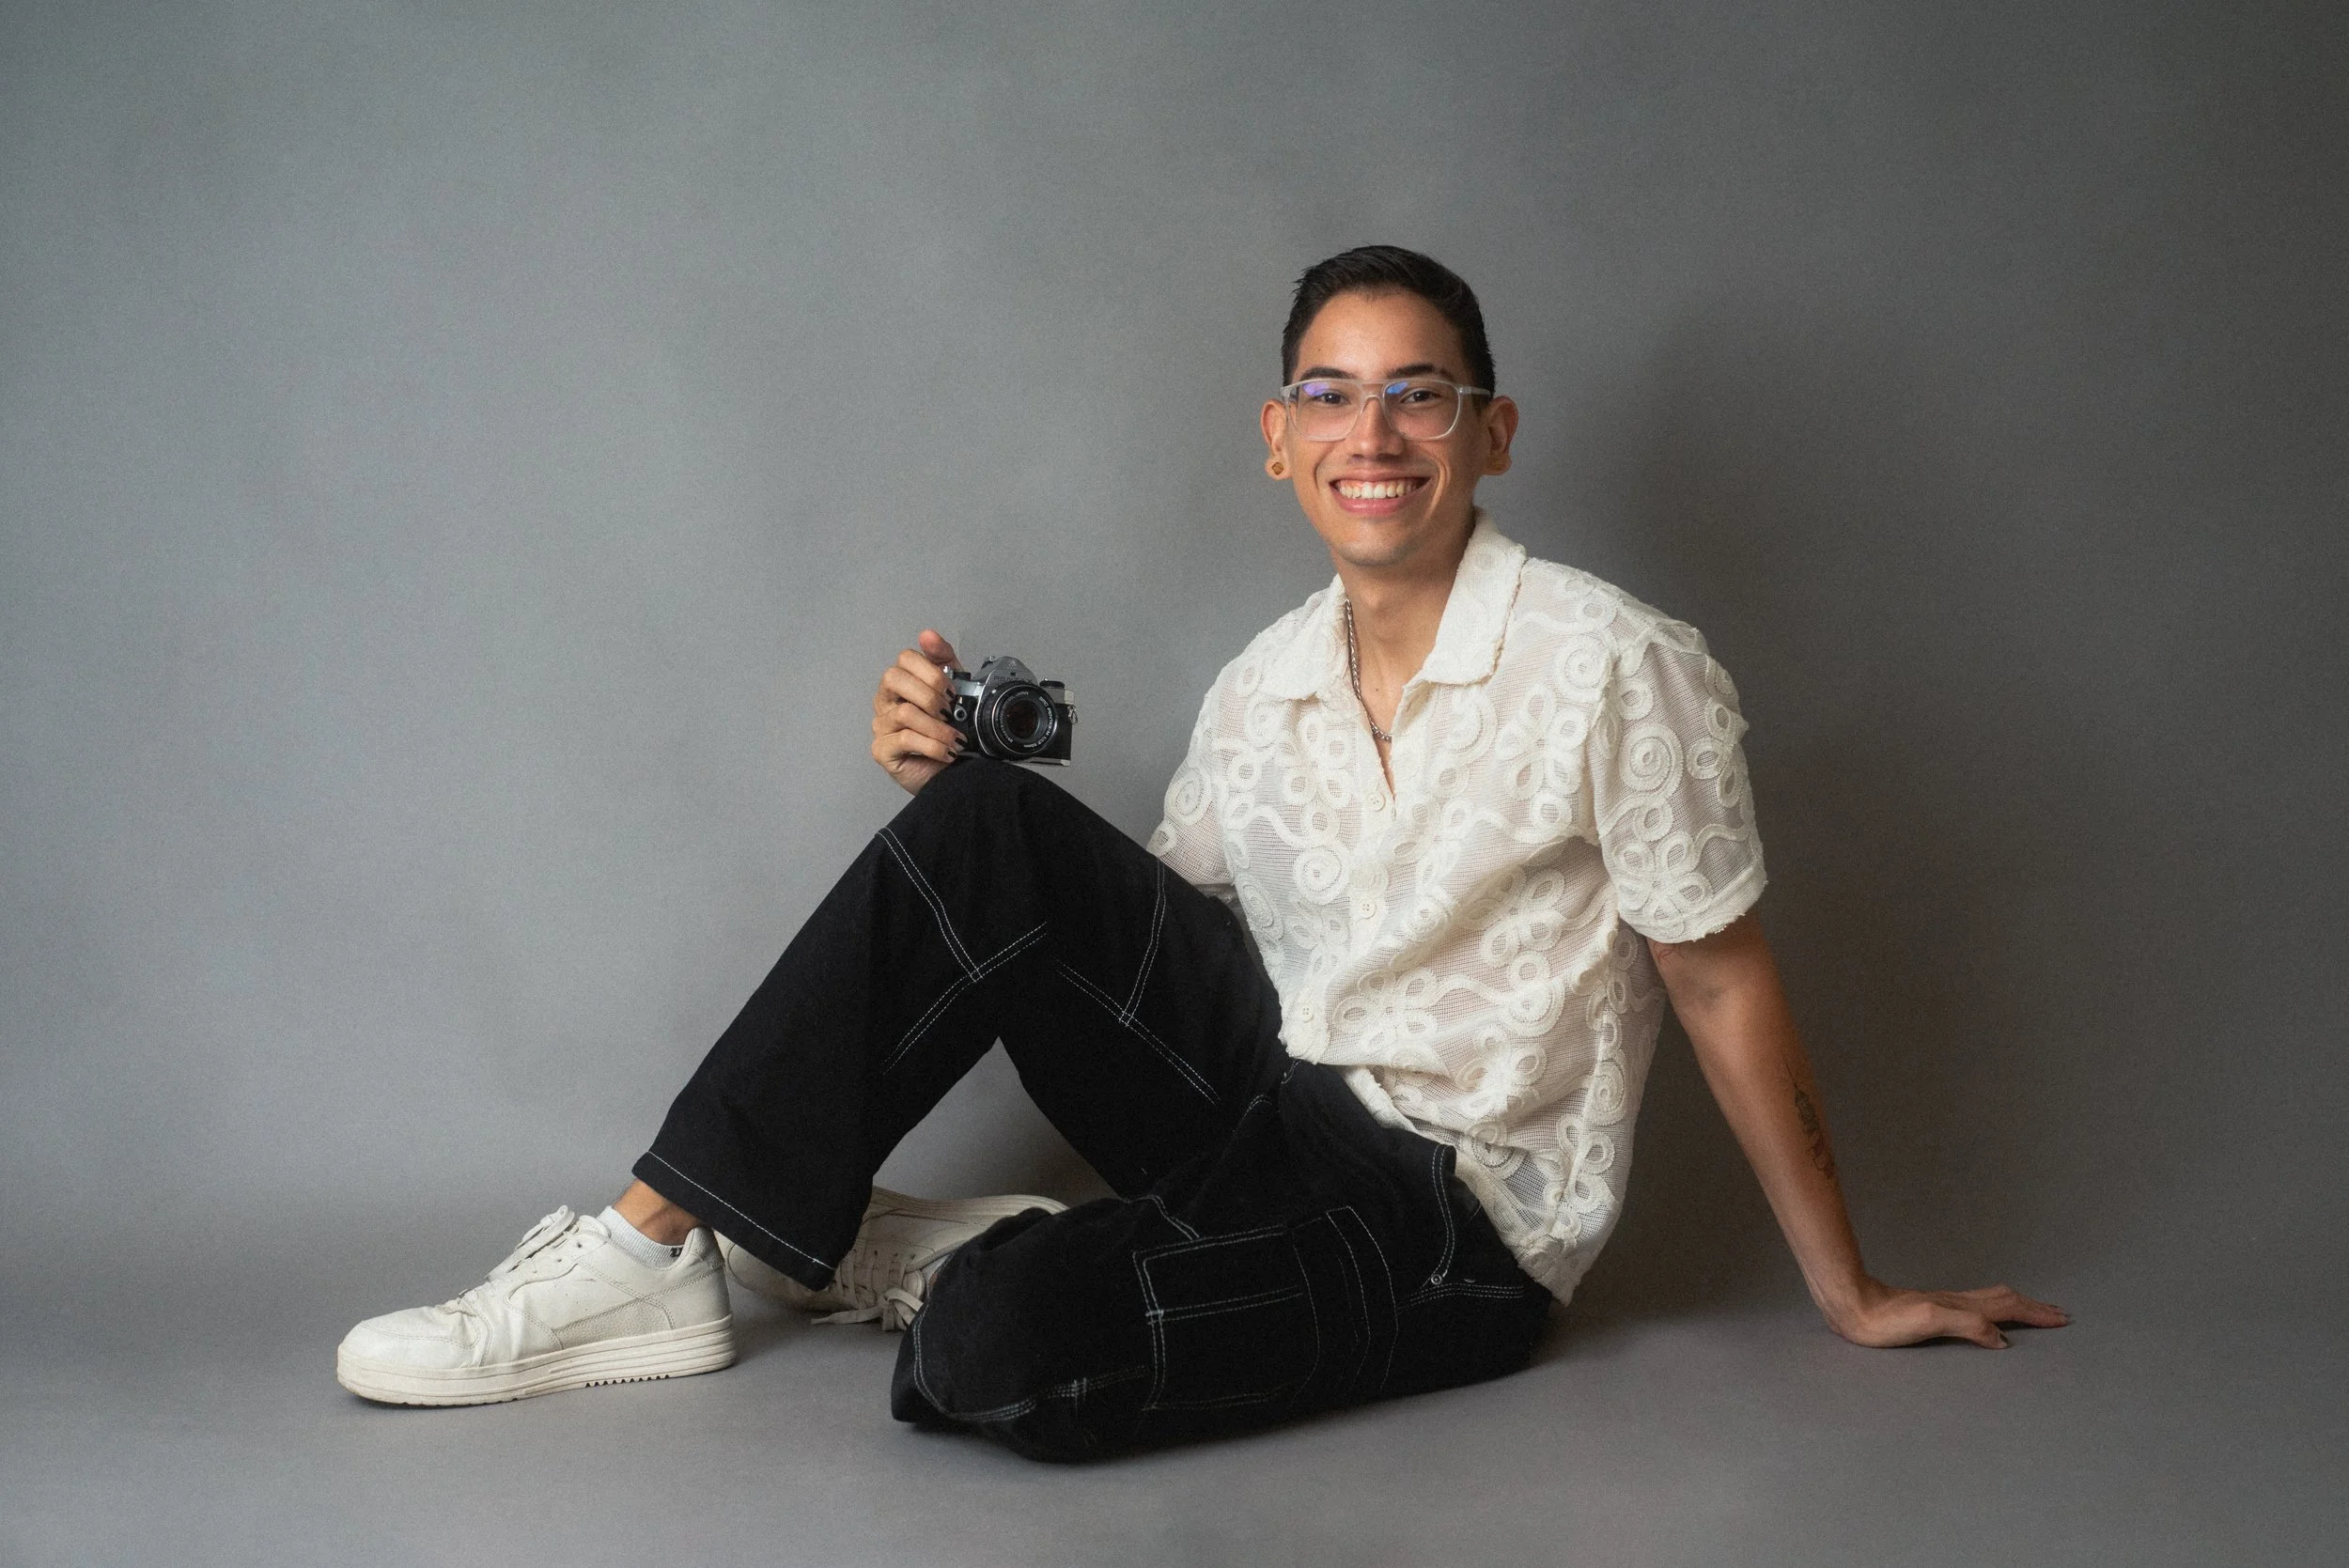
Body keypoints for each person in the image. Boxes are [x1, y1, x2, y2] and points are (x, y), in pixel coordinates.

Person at [336, 245, 2065, 1458]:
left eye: (1418, 395)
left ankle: (946, 1257)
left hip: (1445, 1221)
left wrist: (1852, 1292)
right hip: (1265, 1099)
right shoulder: (1265, 684)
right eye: (1330, 394)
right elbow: (1137, 950)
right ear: (1278, 436)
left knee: (986, 1359)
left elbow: (1717, 974)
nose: (1371, 435)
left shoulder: (1617, 664)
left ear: (1491, 432)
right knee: (994, 826)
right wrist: (947, 798)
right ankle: (653, 1257)